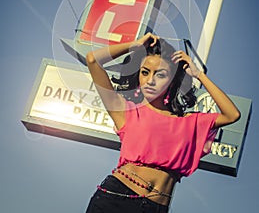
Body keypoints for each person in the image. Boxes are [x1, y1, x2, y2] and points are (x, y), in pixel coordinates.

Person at [85, 32, 240, 213]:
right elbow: (93, 60)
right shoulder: (125, 111)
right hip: (115, 198)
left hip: (157, 207)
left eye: (160, 75)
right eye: (145, 72)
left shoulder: (190, 123)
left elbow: (232, 115)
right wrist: (134, 45)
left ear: (172, 80)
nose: (150, 80)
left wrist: (199, 74)